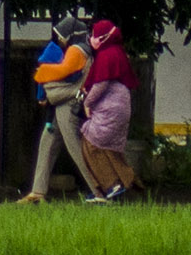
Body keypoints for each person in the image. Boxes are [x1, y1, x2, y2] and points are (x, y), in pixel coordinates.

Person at [19, 20, 94, 203]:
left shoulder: (77, 50)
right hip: (63, 104)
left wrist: (43, 72)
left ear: (70, 34)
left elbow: (64, 71)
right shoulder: (83, 49)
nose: (60, 40)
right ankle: (38, 192)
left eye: (62, 36)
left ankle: (99, 190)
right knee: (47, 143)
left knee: (76, 149)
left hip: (68, 105)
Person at [80, 18, 140, 202]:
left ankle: (111, 185)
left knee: (91, 144)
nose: (92, 39)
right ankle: (125, 183)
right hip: (121, 108)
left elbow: (100, 84)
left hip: (109, 110)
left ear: (103, 37)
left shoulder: (106, 55)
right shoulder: (118, 52)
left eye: (95, 35)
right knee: (111, 149)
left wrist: (87, 103)